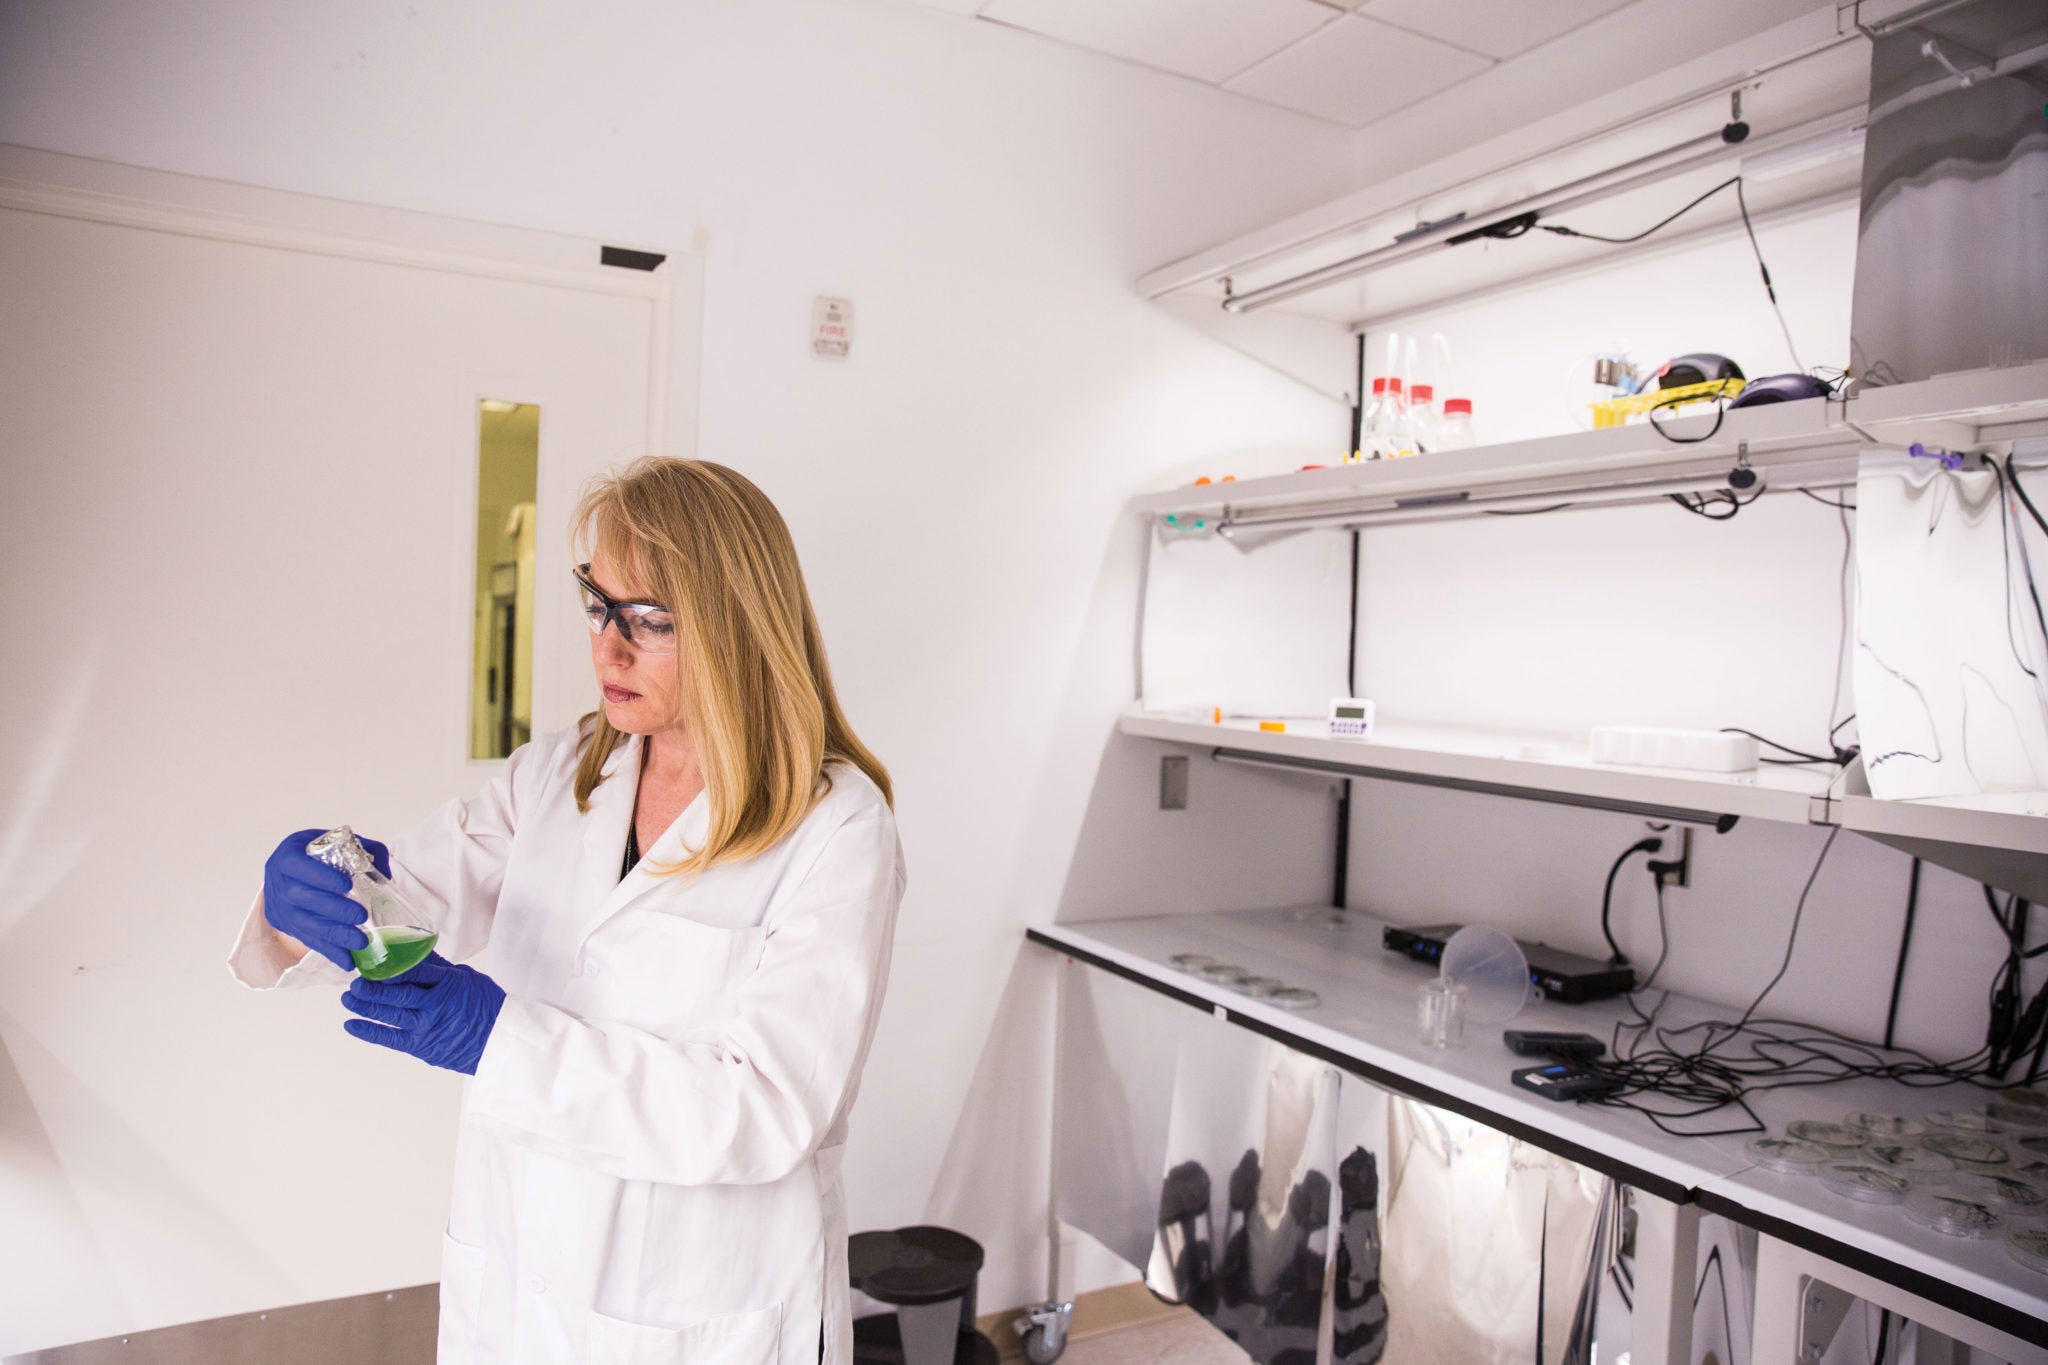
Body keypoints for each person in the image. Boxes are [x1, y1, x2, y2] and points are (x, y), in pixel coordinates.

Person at [229, 458, 904, 1365]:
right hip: (518, 1277)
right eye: (598, 605)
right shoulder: (561, 772)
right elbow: (408, 899)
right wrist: (309, 894)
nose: (608, 649)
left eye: (650, 620)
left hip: (699, 1306)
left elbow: (766, 1109)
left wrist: (499, 1039)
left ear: (740, 625)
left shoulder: (836, 830)